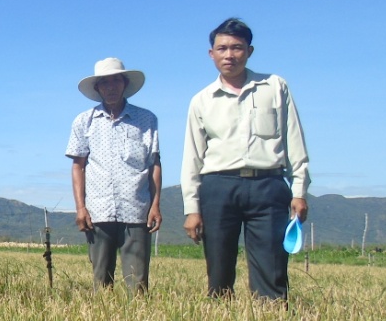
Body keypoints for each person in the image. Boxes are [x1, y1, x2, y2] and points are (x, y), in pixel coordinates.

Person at [182, 18, 310, 300]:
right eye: (222, 48)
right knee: (218, 267)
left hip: (269, 185)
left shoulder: (275, 86)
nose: (229, 55)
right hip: (218, 187)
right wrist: (192, 208)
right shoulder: (201, 100)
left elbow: (295, 141)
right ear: (211, 54)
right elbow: (192, 158)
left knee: (272, 266)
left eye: (237, 48)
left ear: (249, 51)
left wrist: (299, 191)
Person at [66, 58, 162, 292]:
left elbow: (154, 164)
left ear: (124, 83)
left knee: (137, 284)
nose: (110, 87)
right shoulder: (84, 121)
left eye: (115, 81)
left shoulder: (146, 119)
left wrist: (155, 204)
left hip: (137, 209)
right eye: (104, 83)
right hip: (98, 211)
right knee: (101, 282)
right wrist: (80, 208)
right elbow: (78, 166)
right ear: (97, 88)